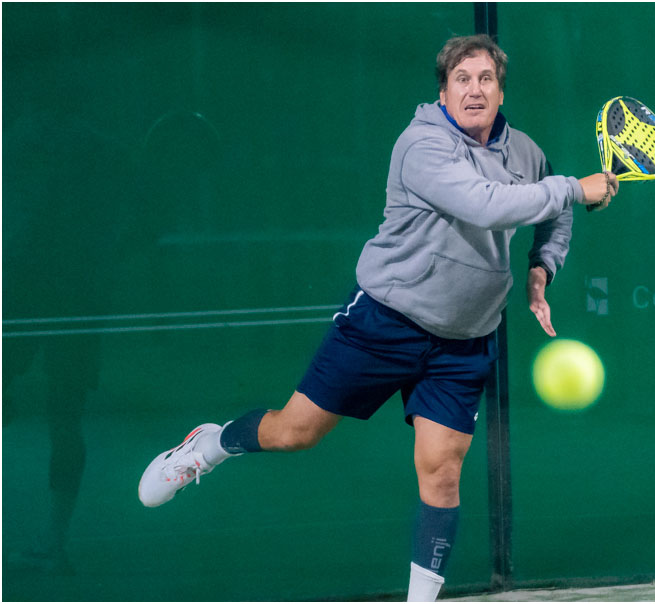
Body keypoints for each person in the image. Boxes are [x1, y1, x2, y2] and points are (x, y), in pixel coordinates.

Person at [138, 34, 617, 601]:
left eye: (486, 79)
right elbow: (486, 204)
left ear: (501, 91)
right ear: (443, 91)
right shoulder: (421, 145)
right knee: (296, 432)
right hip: (386, 320)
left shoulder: (527, 153)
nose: (474, 90)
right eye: (462, 79)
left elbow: (555, 211)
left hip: (465, 340)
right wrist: (573, 188)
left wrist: (543, 267)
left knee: (442, 471)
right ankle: (210, 445)